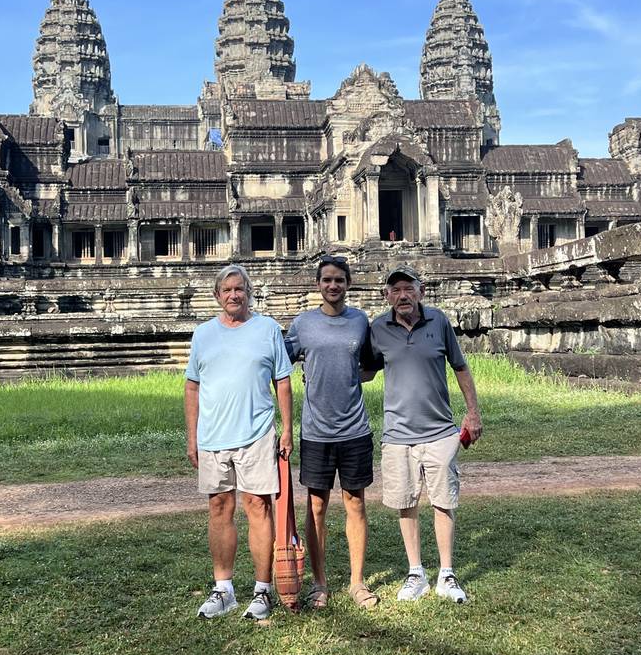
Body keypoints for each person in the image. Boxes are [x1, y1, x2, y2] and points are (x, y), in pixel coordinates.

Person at [185, 264, 293, 621]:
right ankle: (224, 588)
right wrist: (192, 437)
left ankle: (262, 590)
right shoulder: (203, 334)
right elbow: (192, 386)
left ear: (250, 293)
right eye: (227, 290)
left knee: (257, 506)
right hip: (213, 435)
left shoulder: (267, 329)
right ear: (218, 296)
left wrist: (288, 428)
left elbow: (282, 381)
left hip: (257, 432)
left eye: (240, 289)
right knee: (219, 508)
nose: (234, 295)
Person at [368, 265, 482, 604]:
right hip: (398, 432)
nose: (402, 295)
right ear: (387, 295)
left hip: (440, 430)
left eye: (409, 288)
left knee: (443, 501)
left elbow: (460, 366)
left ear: (421, 292)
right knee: (406, 502)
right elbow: (365, 370)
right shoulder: (378, 328)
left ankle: (446, 573)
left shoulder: (439, 322)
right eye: (396, 290)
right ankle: (415, 572)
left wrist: (473, 412)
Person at [284, 255, 379, 609]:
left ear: (348, 284)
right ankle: (319, 583)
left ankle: (357, 581)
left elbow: (370, 367)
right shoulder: (303, 325)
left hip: (354, 428)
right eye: (327, 280)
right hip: (315, 430)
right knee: (317, 505)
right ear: (318, 285)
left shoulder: (360, 322)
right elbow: (281, 362)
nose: (333, 286)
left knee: (355, 502)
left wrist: (346, 379)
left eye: (339, 280)